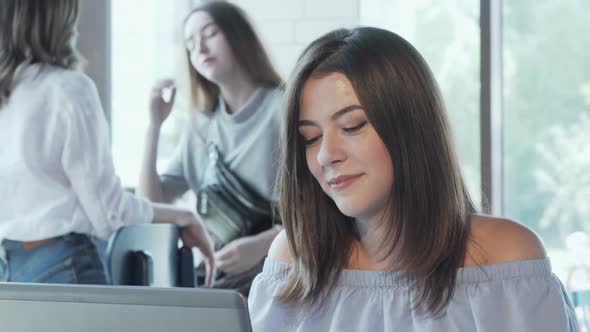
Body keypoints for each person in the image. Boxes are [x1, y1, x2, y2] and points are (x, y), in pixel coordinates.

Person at [248, 27, 580, 331]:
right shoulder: (294, 259)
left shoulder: (508, 258)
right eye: (311, 138)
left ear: (412, 128)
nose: (325, 155)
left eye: (352, 126)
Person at [0, 0, 215, 286]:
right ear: (60, 18)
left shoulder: (8, 95)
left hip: (8, 271)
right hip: (63, 267)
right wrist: (182, 216)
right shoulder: (69, 90)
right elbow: (109, 214)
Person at [138, 1, 282, 294]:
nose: (200, 49)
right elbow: (152, 204)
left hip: (278, 275)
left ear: (239, 36)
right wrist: (154, 127)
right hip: (217, 280)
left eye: (209, 34)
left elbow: (321, 213)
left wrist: (261, 246)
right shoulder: (201, 126)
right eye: (190, 44)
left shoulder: (283, 108)